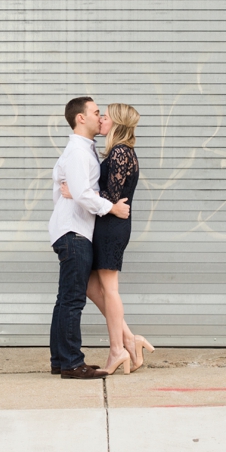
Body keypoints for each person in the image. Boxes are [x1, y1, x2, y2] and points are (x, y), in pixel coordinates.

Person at [61, 103, 154, 373]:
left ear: (115, 123)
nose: (100, 119)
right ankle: (129, 339)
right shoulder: (117, 152)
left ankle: (117, 350)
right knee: (92, 287)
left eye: (105, 116)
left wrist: (76, 193)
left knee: (110, 290)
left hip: (112, 227)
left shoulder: (121, 153)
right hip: (108, 225)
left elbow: (111, 197)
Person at [49, 97, 130, 379]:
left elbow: (75, 191)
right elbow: (82, 194)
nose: (100, 117)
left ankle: (60, 360)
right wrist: (112, 207)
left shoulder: (84, 150)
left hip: (73, 229)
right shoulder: (78, 153)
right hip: (75, 232)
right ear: (81, 118)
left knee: (65, 299)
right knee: (72, 301)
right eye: (96, 113)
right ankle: (72, 363)